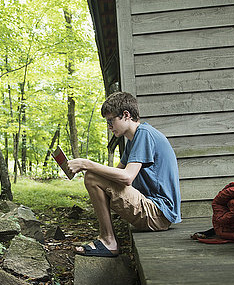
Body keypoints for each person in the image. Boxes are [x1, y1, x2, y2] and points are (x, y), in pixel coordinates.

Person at [67, 91, 181, 257]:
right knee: (94, 176)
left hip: (158, 213)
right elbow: (114, 175)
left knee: (92, 176)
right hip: (155, 211)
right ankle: (106, 237)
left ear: (126, 115)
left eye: (111, 120)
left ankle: (108, 240)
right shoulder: (133, 141)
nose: (109, 126)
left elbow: (127, 177)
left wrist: (86, 164)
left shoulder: (144, 134)